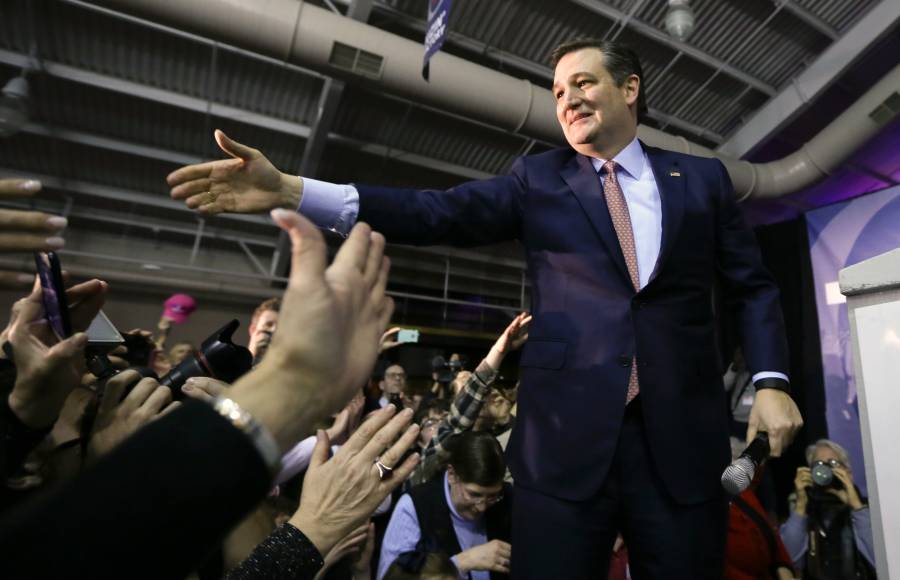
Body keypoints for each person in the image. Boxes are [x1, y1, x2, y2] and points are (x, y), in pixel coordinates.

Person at [167, 38, 804, 578]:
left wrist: (772, 381)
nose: (567, 100)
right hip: (563, 447)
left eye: (583, 83)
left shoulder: (701, 181)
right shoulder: (539, 180)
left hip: (681, 446)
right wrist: (293, 190)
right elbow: (436, 212)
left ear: (630, 88)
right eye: (557, 93)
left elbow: (754, 286)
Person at [379, 431, 512, 580]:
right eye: (474, 495)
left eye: (492, 496)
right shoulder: (416, 506)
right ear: (451, 475)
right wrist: (460, 563)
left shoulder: (508, 499)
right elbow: (390, 577)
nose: (482, 507)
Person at [780, 439, 876, 579]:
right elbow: (788, 560)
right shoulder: (806, 510)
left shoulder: (865, 512)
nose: (826, 471)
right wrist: (800, 506)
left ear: (848, 473)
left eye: (832, 463)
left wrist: (856, 506)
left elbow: (881, 559)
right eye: (819, 465)